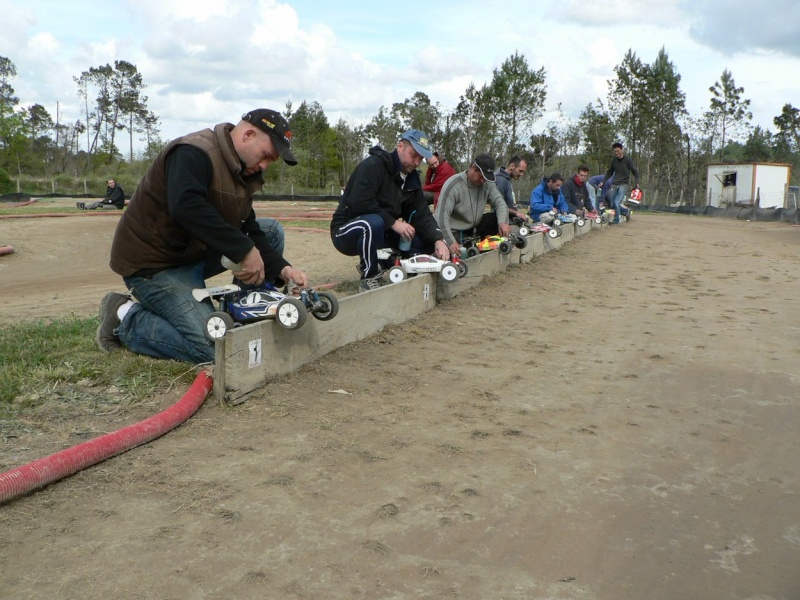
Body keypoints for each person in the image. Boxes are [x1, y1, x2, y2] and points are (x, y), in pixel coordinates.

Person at [97, 108, 308, 364]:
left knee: (269, 231)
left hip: (193, 252)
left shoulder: (241, 170)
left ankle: (245, 310)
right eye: (266, 156)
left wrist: (283, 269)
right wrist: (243, 250)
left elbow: (248, 225)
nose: (265, 165)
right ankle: (124, 315)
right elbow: (185, 207)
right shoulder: (193, 152)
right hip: (155, 265)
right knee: (219, 348)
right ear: (248, 135)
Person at [330, 129, 449, 291]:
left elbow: (422, 214)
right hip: (347, 231)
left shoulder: (412, 181)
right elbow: (360, 203)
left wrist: (438, 239)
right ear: (400, 147)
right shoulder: (373, 165)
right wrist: (394, 223)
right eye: (413, 155)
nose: (416, 162)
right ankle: (369, 277)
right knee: (373, 223)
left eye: (420, 158)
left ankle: (390, 264)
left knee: (424, 242)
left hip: (382, 231)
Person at [433, 153, 510, 257]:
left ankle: (489, 247)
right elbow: (441, 217)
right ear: (473, 168)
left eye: (486, 178)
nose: (483, 181)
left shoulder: (487, 183)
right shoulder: (453, 185)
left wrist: (502, 222)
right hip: (453, 230)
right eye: (481, 176)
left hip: (473, 228)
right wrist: (451, 242)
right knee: (450, 249)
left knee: (494, 219)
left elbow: (500, 202)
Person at [599, 142, 638, 224]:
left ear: (622, 150)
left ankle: (616, 220)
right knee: (612, 203)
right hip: (615, 184)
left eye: (618, 151)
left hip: (624, 184)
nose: (617, 153)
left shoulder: (628, 160)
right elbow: (609, 172)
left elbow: (635, 171)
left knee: (617, 202)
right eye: (615, 151)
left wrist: (636, 182)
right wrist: (603, 182)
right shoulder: (614, 161)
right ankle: (626, 212)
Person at [494, 156, 529, 222]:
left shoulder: (508, 179)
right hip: (502, 223)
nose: (521, 174)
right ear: (512, 166)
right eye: (520, 171)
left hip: (511, 219)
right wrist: (516, 213)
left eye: (523, 172)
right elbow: (497, 205)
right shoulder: (501, 180)